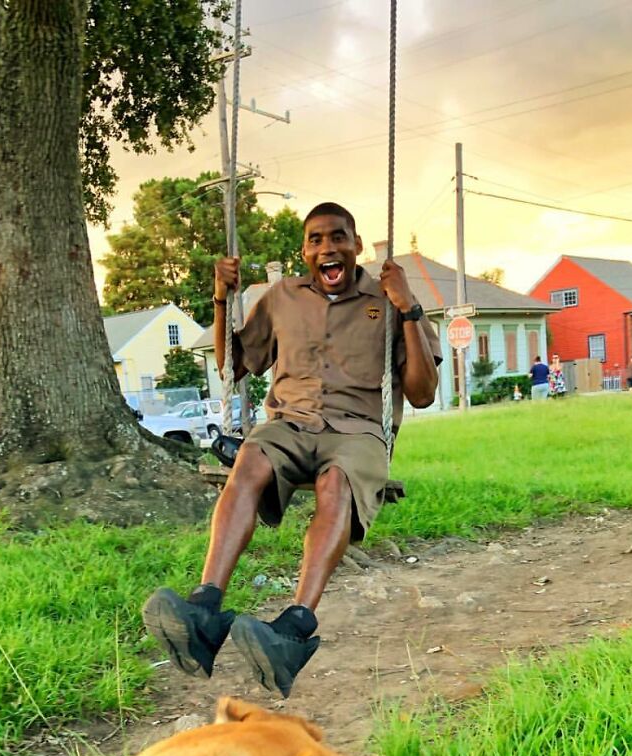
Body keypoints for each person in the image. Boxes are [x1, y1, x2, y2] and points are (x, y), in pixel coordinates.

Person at [142, 202, 441, 697]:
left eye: (338, 237)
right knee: (251, 457)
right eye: (316, 240)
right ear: (304, 251)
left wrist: (407, 306)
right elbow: (231, 367)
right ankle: (204, 609)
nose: (328, 248)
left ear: (356, 245)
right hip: (289, 423)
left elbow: (423, 392)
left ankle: (294, 627)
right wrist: (220, 300)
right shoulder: (281, 298)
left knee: (335, 482)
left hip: (359, 431)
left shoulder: (388, 298)